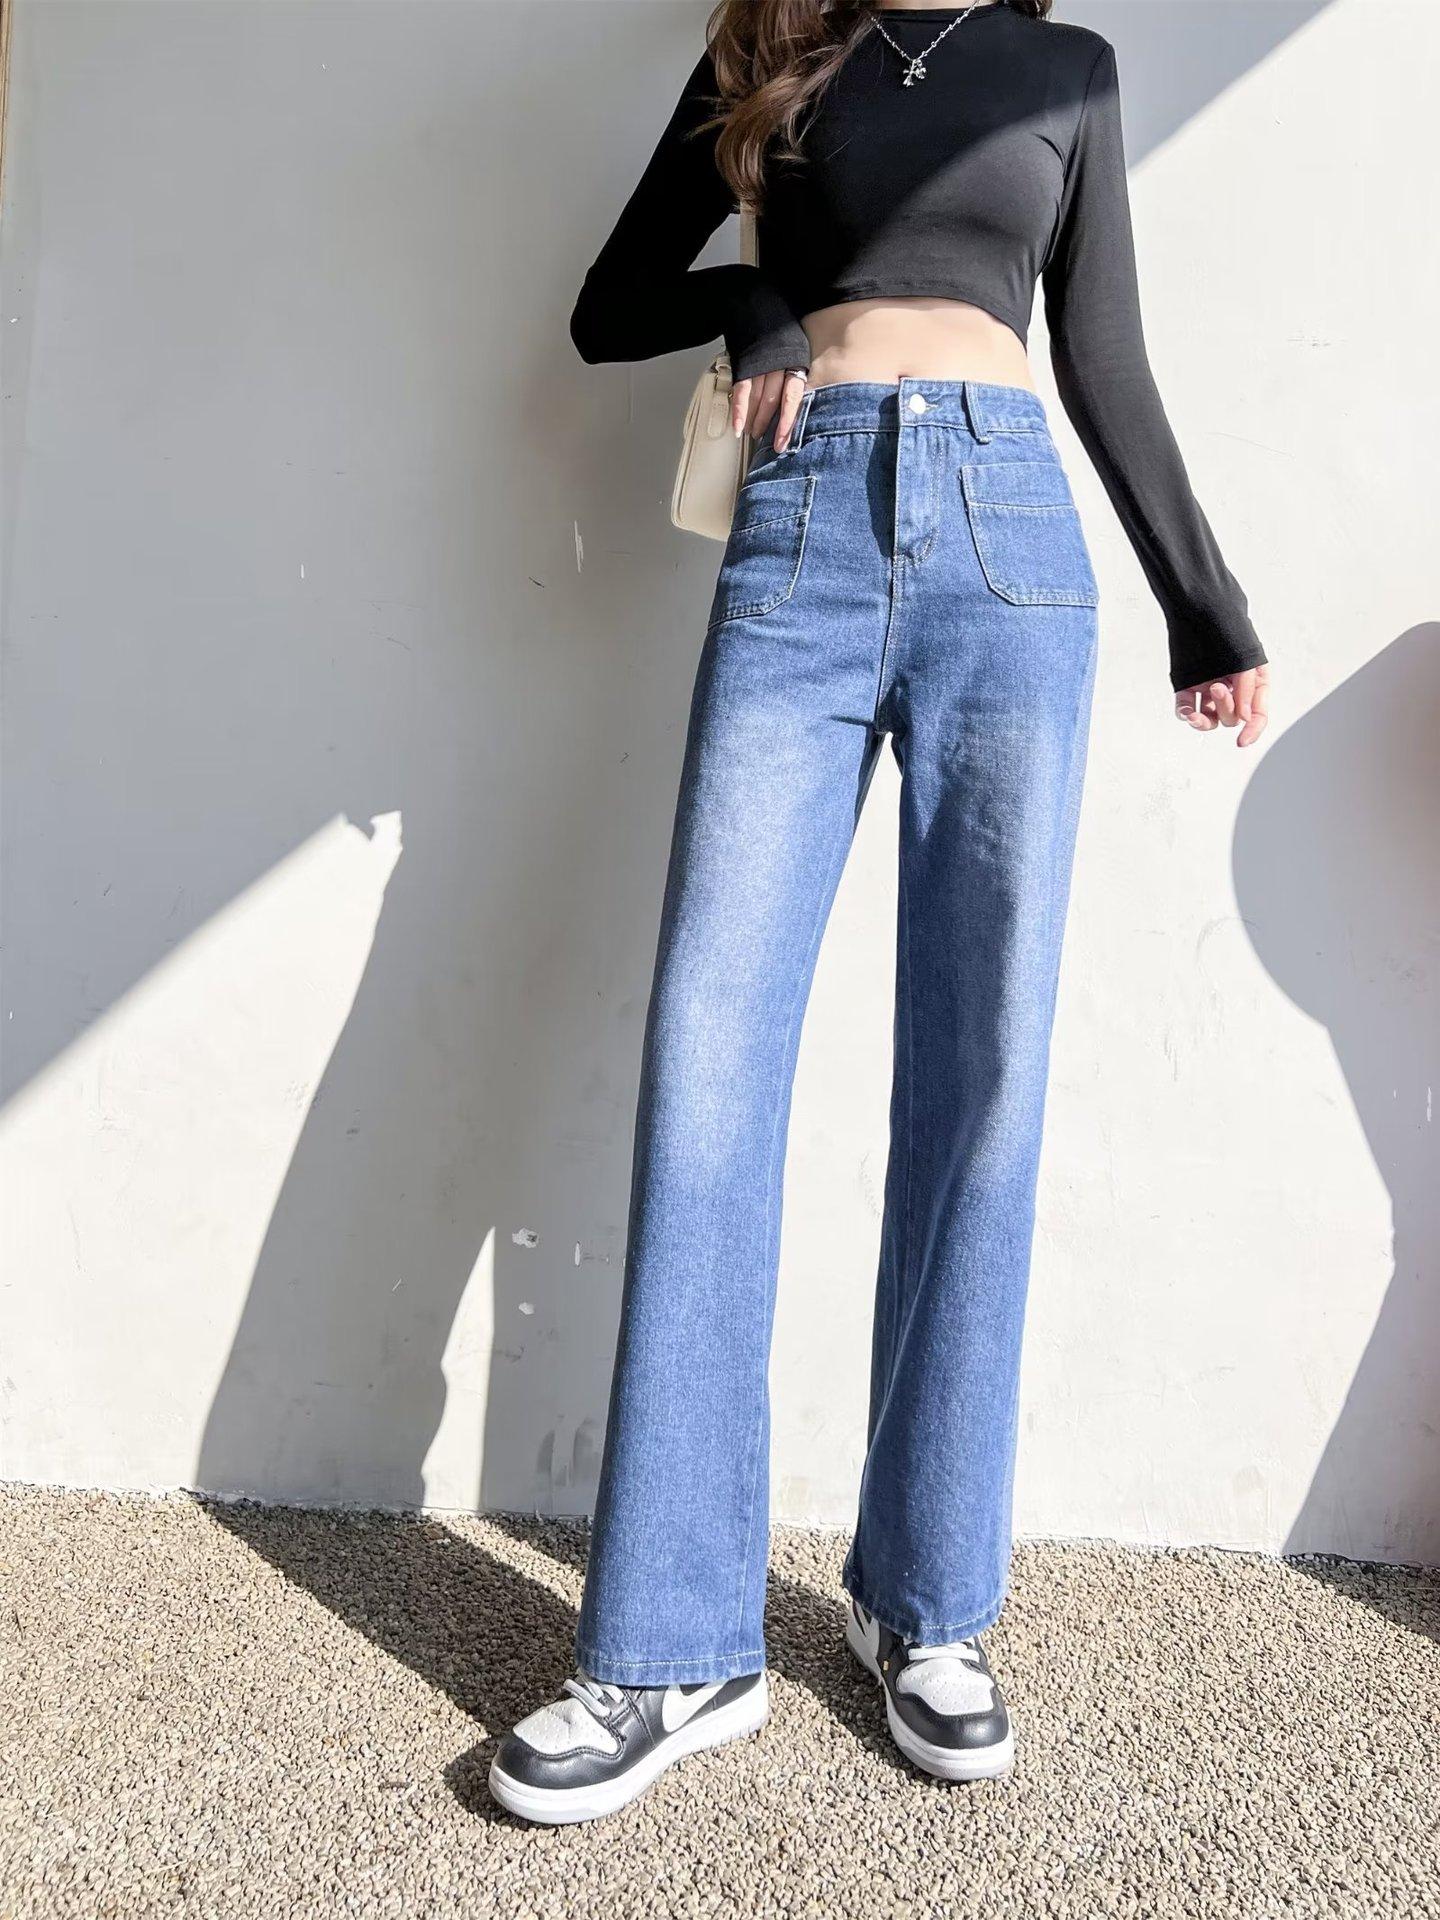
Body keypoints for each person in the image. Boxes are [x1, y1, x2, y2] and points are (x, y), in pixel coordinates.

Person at [489, 0, 1270, 1825]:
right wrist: (757, 303)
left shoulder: (1064, 70)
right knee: (708, 1067)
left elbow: (1104, 354)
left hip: (1015, 545)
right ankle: (673, 1644)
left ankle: (928, 1607)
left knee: (983, 1081)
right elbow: (612, 301)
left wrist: (1205, 600)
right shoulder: (771, 46)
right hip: (803, 536)